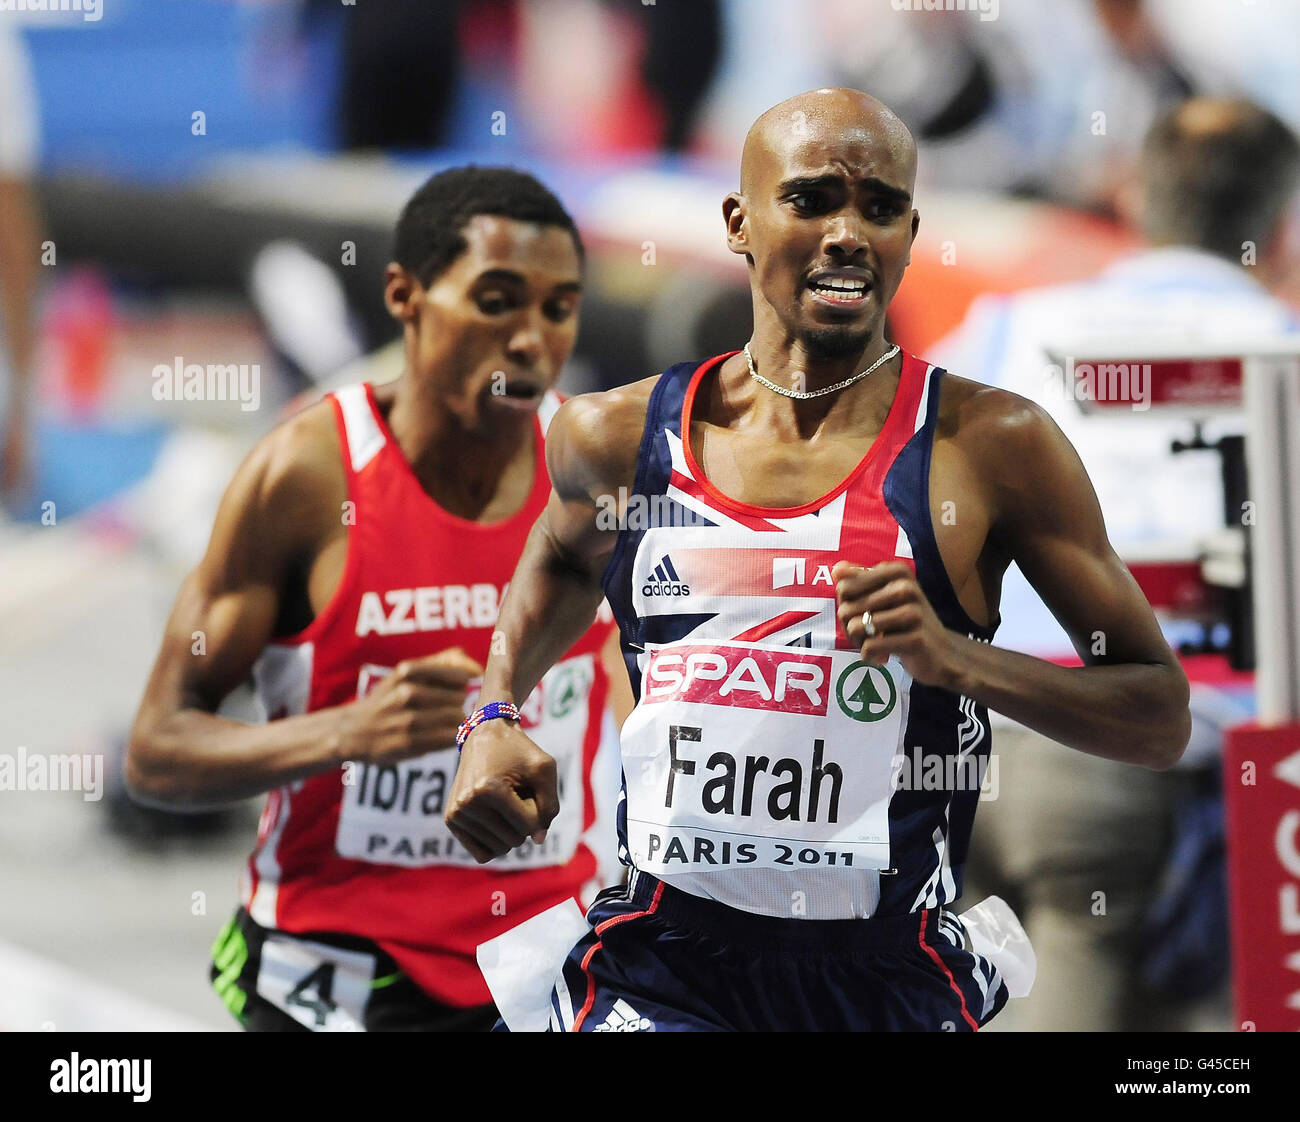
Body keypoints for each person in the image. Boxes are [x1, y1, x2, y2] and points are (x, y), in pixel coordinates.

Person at [445, 87, 1192, 1032]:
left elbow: (1157, 716)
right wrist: (495, 708)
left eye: (880, 209)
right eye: (810, 201)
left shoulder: (991, 445)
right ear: (738, 222)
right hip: (661, 963)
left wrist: (956, 661)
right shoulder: (616, 436)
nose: (849, 234)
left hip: (877, 978)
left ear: (912, 234)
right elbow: (558, 558)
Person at [126, 166, 629, 1032]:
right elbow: (156, 751)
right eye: (497, 299)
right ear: (406, 296)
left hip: (546, 961)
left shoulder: (589, 467)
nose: (530, 341)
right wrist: (346, 734)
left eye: (558, 308)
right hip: (337, 973)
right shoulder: (306, 476)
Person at [932, 96, 1300, 1031]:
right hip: (1174, 771)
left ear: (1136, 197)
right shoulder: (1285, 354)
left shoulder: (1008, 328)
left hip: (969, 744)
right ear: (1281, 223)